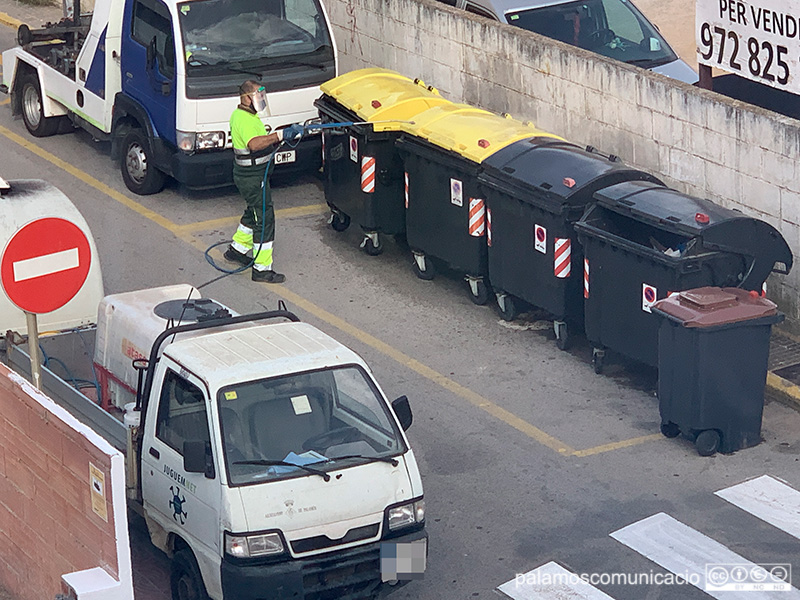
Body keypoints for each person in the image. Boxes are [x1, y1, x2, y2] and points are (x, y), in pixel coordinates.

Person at [224, 80, 303, 283]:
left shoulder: (246, 116)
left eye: (262, 96)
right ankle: (262, 269)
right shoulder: (244, 119)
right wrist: (279, 135)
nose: (260, 101)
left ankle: (236, 250)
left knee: (254, 211)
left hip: (254, 175)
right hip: (252, 177)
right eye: (257, 97)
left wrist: (284, 136)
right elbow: (255, 143)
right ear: (245, 97)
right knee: (264, 218)